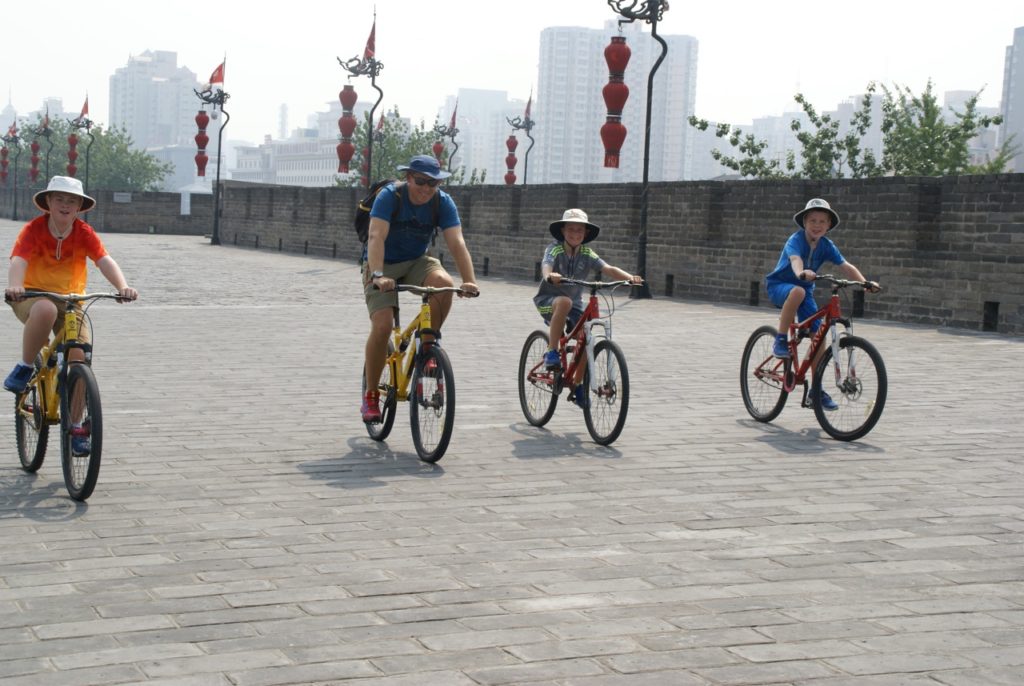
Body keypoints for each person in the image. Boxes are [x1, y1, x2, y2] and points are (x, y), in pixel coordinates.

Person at [361, 155, 479, 423]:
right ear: (408, 178)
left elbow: (457, 242)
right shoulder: (390, 197)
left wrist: (469, 280)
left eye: (433, 183)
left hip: (417, 260)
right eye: (421, 181)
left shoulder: (442, 202)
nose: (426, 188)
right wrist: (378, 274)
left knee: (445, 285)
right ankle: (370, 395)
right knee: (382, 326)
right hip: (382, 263)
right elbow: (376, 236)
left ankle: (428, 350)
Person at [764, 198, 878, 411]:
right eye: (813, 220)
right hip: (780, 285)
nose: (817, 225)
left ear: (828, 226)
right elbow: (796, 260)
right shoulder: (795, 240)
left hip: (805, 292)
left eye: (822, 221)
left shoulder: (826, 245)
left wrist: (865, 283)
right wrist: (800, 273)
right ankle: (780, 340)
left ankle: (815, 390)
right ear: (804, 222)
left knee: (819, 337)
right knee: (797, 290)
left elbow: (845, 266)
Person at [533, 208, 643, 408]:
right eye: (571, 229)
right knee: (564, 302)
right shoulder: (554, 249)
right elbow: (546, 265)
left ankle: (577, 386)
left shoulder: (587, 252)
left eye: (580, 231)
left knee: (587, 339)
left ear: (585, 234)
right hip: (549, 300)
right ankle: (551, 351)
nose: (575, 234)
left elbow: (607, 268)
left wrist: (629, 278)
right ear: (563, 231)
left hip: (574, 305)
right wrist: (550, 275)